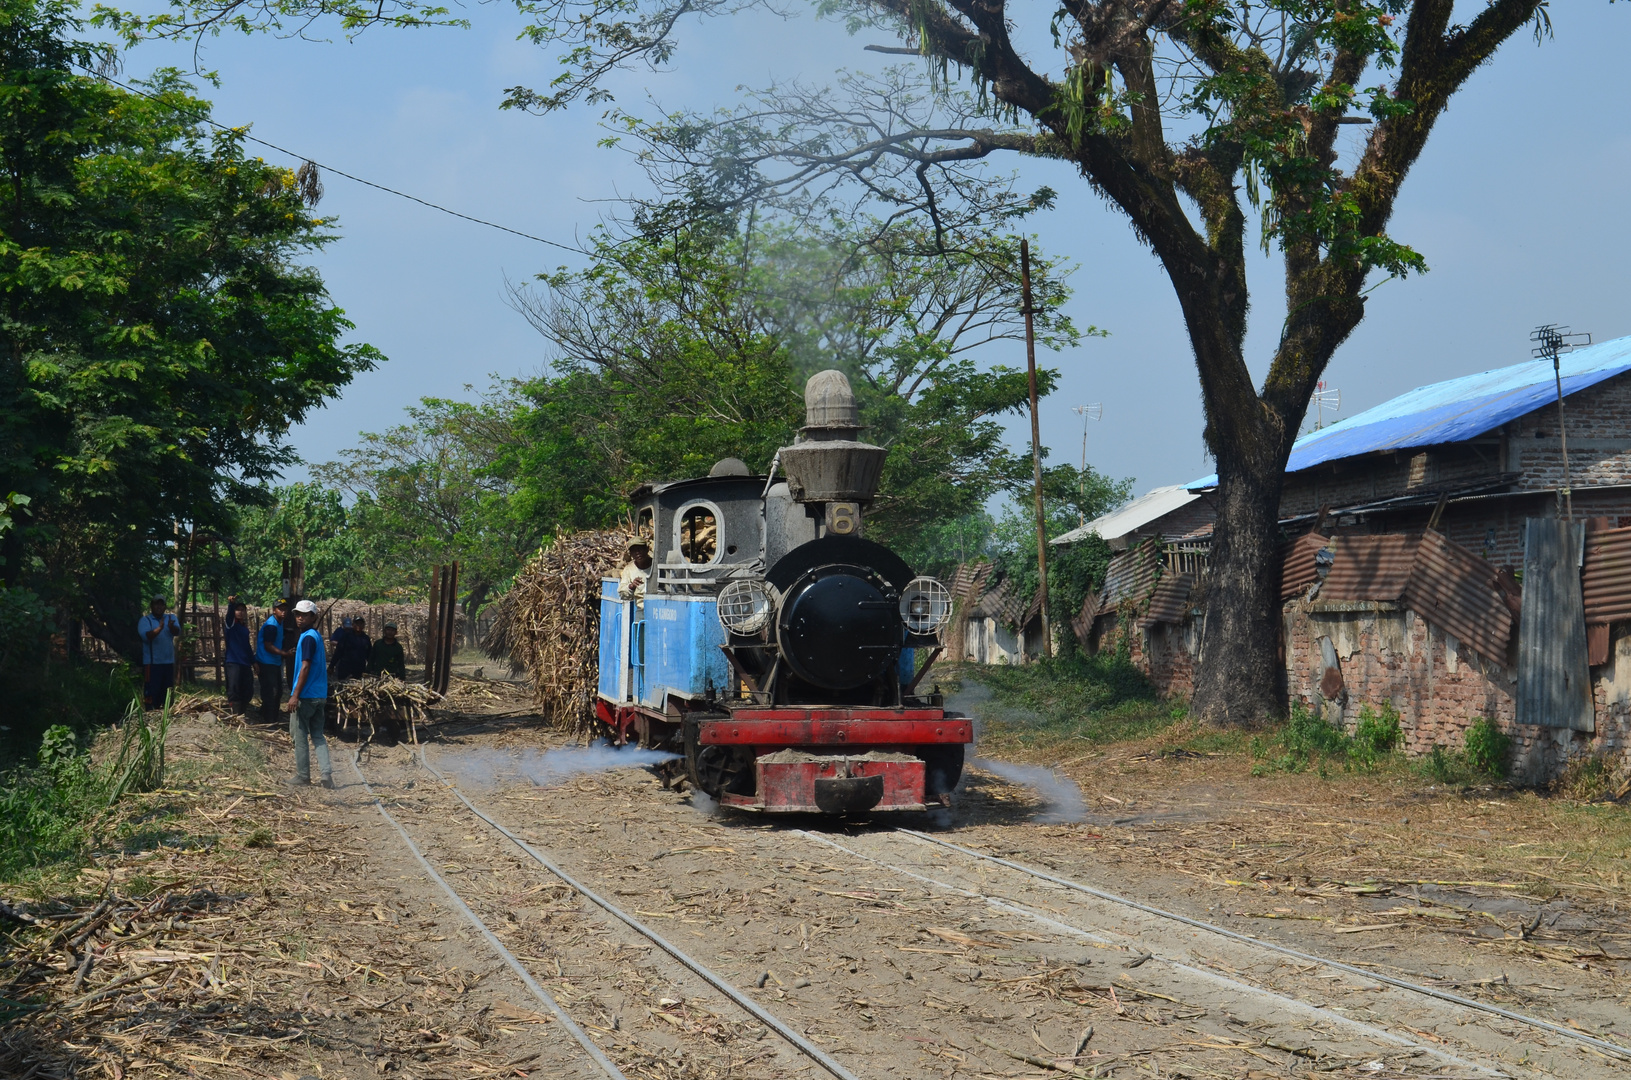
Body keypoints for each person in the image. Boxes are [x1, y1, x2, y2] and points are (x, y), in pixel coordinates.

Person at [283, 599, 334, 788]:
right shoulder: (316, 637)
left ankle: (303, 775)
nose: (299, 618)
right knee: (318, 735)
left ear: (313, 617)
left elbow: (305, 667)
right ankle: (326, 773)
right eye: (297, 614)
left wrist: (295, 695)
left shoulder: (307, 638)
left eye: (304, 615)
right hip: (320, 694)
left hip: (306, 696)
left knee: (300, 735)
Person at [138, 596, 182, 709]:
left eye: (161, 604)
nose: (159, 607)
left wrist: (171, 627)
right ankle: (150, 715)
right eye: (156, 604)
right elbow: (146, 636)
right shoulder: (145, 620)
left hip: (168, 662)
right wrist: (159, 628)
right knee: (152, 694)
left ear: (165, 607)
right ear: (151, 606)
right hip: (152, 664)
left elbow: (177, 632)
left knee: (166, 693)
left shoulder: (171, 618)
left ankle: (165, 716)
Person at [256, 599, 290, 724]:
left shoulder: (279, 623)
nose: (283, 612)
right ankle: (269, 719)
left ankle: (268, 714)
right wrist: (284, 653)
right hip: (266, 661)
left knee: (277, 690)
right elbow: (268, 646)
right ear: (274, 610)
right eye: (280, 609)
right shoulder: (271, 625)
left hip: (274, 662)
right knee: (272, 691)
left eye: (285, 609)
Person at [222, 597, 254, 715]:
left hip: (245, 662)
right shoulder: (231, 625)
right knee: (234, 688)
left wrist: (253, 661)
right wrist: (231, 605)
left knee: (247, 689)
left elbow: (247, 646)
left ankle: (242, 712)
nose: (240, 612)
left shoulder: (244, 628)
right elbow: (229, 616)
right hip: (233, 661)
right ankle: (235, 714)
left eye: (242, 610)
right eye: (238, 610)